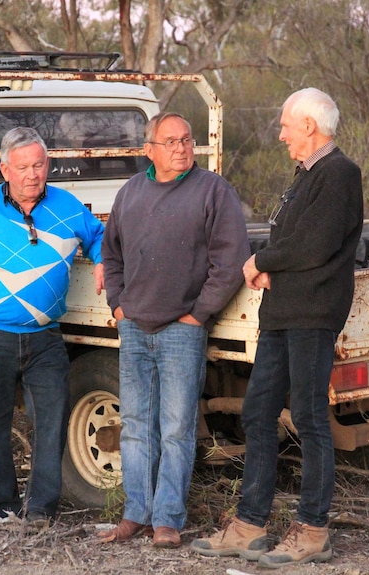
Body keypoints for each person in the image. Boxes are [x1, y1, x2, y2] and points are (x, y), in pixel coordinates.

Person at [191, 88, 363, 567]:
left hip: (312, 316)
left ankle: (313, 530)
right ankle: (250, 526)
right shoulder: (305, 174)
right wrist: (272, 266)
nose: (281, 133)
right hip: (282, 314)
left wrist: (259, 262)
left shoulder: (340, 173)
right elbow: (297, 242)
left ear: (310, 125)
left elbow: (315, 245)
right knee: (258, 413)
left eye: (287, 124)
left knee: (308, 419)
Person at [99, 112, 250, 548]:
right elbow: (112, 255)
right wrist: (119, 305)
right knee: (134, 426)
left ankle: (167, 519)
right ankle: (135, 514)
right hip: (134, 329)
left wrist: (197, 314)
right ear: (150, 150)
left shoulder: (213, 191)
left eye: (187, 140)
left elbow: (231, 260)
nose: (182, 148)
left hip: (181, 330)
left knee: (177, 428)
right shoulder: (130, 193)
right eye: (171, 141)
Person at [0, 127, 105, 523]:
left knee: (51, 421)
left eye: (39, 164)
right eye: (23, 167)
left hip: (45, 341)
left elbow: (99, 235)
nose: (33, 174)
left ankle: (41, 508)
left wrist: (101, 259)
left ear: (47, 165)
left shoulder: (66, 206)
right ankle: (2, 504)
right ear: (5, 169)